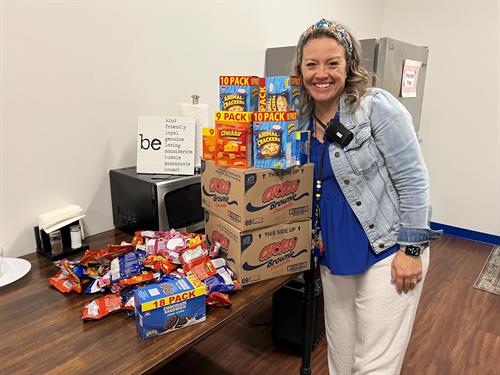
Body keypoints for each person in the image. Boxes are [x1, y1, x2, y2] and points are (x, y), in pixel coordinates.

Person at [293, 18, 442, 375]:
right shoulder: (296, 120)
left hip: (387, 250)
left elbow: (413, 179)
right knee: (341, 361)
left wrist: (411, 250)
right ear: (300, 68)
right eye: (312, 64)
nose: (321, 74)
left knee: (373, 365)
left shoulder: (376, 107)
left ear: (349, 65)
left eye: (332, 63)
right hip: (333, 255)